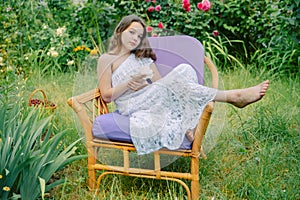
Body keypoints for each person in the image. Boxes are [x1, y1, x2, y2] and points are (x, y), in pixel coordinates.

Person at [94, 15, 270, 155]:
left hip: (152, 100)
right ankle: (233, 97)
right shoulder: (107, 59)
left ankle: (189, 122)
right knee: (175, 79)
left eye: (140, 36)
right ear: (120, 31)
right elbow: (107, 96)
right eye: (132, 32)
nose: (135, 38)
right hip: (131, 106)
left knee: (184, 70)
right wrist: (129, 82)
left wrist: (143, 84)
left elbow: (160, 84)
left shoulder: (143, 57)